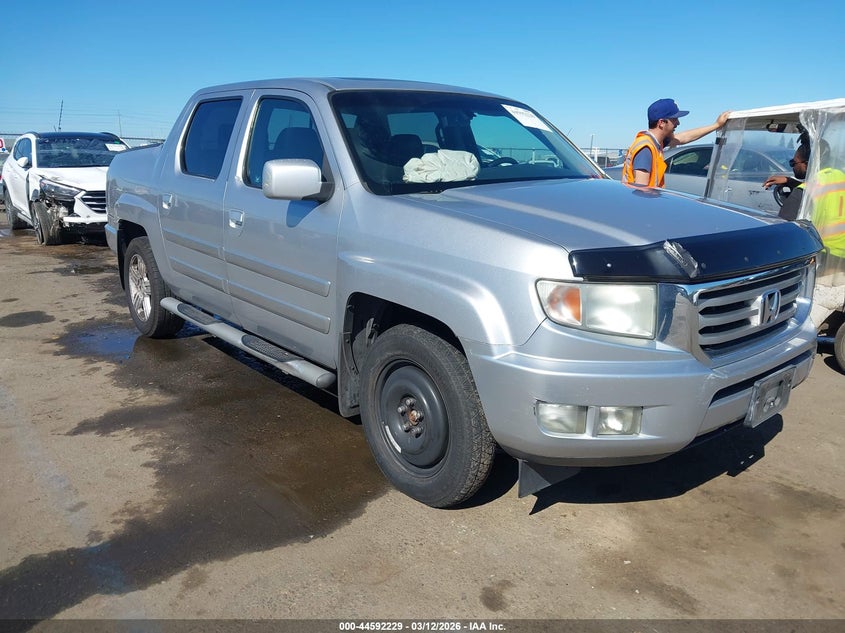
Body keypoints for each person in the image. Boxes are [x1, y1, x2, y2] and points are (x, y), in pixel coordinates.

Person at [621, 99, 731, 187]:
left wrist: (716, 125)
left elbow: (684, 137)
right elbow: (640, 192)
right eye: (674, 119)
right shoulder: (646, 149)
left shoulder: (654, 142)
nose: (678, 123)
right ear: (661, 122)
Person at [762, 132, 810, 221]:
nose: (792, 166)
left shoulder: (800, 192)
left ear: (806, 165)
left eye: (793, 163)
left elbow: (783, 228)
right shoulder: (839, 178)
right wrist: (789, 181)